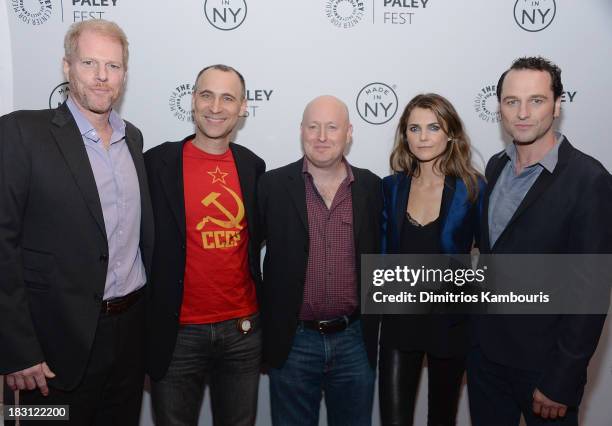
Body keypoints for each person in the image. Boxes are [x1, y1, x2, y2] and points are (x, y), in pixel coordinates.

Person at [0, 19, 153, 425]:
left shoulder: (132, 139)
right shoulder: (20, 133)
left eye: (114, 66)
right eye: (90, 63)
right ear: (67, 68)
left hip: (128, 336)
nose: (103, 77)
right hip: (50, 351)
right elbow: (3, 246)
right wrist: (17, 350)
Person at [468, 56, 612, 425]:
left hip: (544, 372)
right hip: (486, 362)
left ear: (558, 104)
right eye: (512, 101)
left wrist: (562, 380)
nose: (522, 113)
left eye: (536, 100)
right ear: (499, 106)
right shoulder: (495, 166)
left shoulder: (588, 179)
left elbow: (590, 291)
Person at [144, 64, 265, 426]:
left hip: (242, 331)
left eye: (228, 97)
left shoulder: (253, 166)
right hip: (176, 334)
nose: (216, 107)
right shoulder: (155, 163)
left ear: (243, 107)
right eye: (207, 95)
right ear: (193, 100)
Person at [257, 95, 383, 426]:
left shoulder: (372, 187)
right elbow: (245, 258)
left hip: (354, 340)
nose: (322, 136)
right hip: (294, 342)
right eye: (313, 127)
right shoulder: (271, 186)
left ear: (349, 132)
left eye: (332, 127)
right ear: (301, 130)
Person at [379, 93, 484, 425]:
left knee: (442, 417)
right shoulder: (391, 187)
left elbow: (490, 255)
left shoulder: (472, 188)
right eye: (414, 128)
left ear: (450, 133)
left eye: (433, 127)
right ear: (404, 135)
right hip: (399, 324)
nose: (423, 137)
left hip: (449, 326)